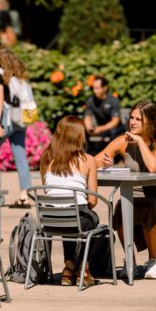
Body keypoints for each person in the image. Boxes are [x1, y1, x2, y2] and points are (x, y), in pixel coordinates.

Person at [96, 100, 156, 280]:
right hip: (131, 197)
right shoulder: (123, 141)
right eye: (131, 117)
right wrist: (105, 163)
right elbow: (94, 161)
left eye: (139, 119)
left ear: (150, 122)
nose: (133, 122)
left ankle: (153, 261)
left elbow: (153, 167)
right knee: (121, 208)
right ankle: (130, 260)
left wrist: (140, 142)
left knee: (147, 207)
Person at [40, 115, 98, 287]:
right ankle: (84, 267)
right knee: (92, 221)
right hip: (76, 218)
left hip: (49, 220)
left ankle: (68, 268)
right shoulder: (88, 160)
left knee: (66, 214)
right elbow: (93, 200)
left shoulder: (45, 158)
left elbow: (48, 191)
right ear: (79, 136)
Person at [0, 43, 31, 207]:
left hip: (7, 118)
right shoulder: (16, 73)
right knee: (20, 157)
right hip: (20, 120)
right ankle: (25, 194)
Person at [84, 76, 124, 152]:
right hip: (101, 129)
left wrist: (100, 129)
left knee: (113, 131)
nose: (94, 91)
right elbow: (87, 117)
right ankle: (88, 155)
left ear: (104, 88)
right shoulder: (90, 101)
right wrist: (89, 128)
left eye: (97, 88)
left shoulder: (113, 100)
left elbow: (115, 122)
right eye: (93, 88)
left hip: (116, 128)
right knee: (83, 130)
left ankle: (113, 156)